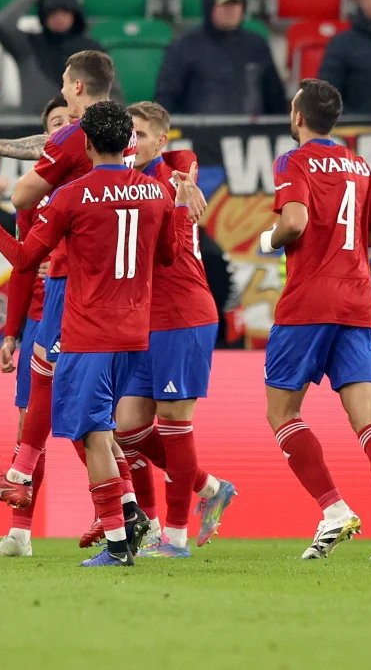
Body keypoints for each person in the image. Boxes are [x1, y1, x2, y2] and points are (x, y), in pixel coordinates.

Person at [0, 100, 201, 567]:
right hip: (137, 337)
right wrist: (181, 209)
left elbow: (24, 260)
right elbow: (169, 257)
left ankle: (120, 544)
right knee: (102, 434)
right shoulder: (156, 193)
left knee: (94, 436)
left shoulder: (71, 195)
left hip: (88, 335)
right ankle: (120, 525)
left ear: (84, 143)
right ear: (128, 143)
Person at [0, 53, 138, 540]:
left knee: (62, 390)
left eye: (62, 82)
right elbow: (53, 143)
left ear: (76, 86)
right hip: (120, 285)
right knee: (72, 394)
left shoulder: (76, 153)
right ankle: (125, 506)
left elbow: (22, 196)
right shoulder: (120, 134)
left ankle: (22, 480)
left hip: (73, 274)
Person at [259, 78, 371, 560]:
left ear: (299, 116)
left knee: (282, 412)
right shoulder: (359, 165)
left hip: (308, 303)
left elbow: (295, 222)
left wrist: (270, 239)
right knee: (367, 416)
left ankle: (334, 510)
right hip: (356, 302)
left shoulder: (293, 161)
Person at [112, 101, 236, 559]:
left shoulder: (170, 180)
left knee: (174, 426)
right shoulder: (126, 180)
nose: (132, 142)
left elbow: (183, 163)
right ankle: (209, 485)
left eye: (141, 134)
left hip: (183, 315)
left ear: (162, 141)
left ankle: (176, 538)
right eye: (128, 134)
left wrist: (185, 176)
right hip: (146, 320)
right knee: (126, 427)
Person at [0, 95, 70, 559]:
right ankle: (20, 534)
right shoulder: (33, 192)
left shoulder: (92, 180)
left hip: (84, 312)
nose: (63, 129)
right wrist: (12, 331)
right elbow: (20, 266)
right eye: (54, 123)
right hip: (39, 317)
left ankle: (139, 519)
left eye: (70, 121)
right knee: (27, 427)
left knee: (99, 426)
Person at [154, 0, 285, 116]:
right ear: (209, 7)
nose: (230, 11)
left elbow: (275, 97)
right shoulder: (184, 47)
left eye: (235, 5)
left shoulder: (257, 46)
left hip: (251, 133)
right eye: (223, 5)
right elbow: (166, 99)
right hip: (199, 132)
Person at [0, 0, 121, 111]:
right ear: (44, 16)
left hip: (81, 127)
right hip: (35, 126)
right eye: (52, 13)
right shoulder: (28, 45)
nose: (59, 18)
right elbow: (2, 24)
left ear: (74, 15)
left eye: (64, 12)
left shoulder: (92, 51)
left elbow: (112, 92)